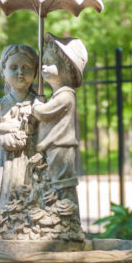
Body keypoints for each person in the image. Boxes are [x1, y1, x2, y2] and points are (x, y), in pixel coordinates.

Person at [32, 33, 87, 205]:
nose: (44, 67)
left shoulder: (65, 96)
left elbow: (42, 113)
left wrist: (36, 105)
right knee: (51, 176)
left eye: (50, 63)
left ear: (66, 68)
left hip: (60, 146)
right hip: (52, 145)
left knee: (61, 179)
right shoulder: (57, 94)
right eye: (44, 62)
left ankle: (64, 205)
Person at [0, 44, 39, 211]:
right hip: (9, 159)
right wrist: (3, 136)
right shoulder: (2, 104)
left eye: (26, 68)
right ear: (3, 71)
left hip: (32, 157)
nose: (20, 72)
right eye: (14, 67)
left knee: (32, 192)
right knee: (9, 191)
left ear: (36, 72)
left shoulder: (38, 102)